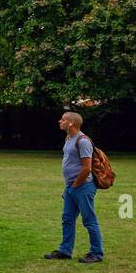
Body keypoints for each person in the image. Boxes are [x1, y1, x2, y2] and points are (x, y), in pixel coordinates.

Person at [45, 111, 104, 263]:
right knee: (67, 219)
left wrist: (75, 186)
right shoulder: (68, 138)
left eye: (63, 119)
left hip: (83, 186)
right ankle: (65, 251)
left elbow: (86, 168)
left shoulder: (83, 141)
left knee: (89, 220)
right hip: (72, 187)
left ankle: (96, 253)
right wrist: (69, 187)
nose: (60, 121)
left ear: (71, 123)